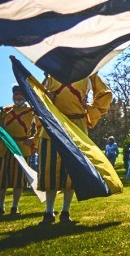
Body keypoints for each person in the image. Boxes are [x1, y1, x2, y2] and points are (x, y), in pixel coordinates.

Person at [38, 73, 112, 225]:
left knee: (71, 171)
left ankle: (65, 211)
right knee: (49, 171)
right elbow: (37, 97)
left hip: (76, 128)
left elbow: (105, 94)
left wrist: (90, 109)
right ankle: (49, 212)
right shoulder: (50, 75)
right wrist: (47, 99)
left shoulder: (88, 74)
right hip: (52, 127)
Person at [0, 84, 40, 215]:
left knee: (18, 179)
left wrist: (33, 140)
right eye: (16, 94)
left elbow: (40, 127)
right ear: (13, 95)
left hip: (22, 147)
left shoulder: (32, 111)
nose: (18, 96)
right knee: (1, 179)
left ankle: (14, 207)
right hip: (4, 147)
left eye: (21, 94)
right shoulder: (5, 110)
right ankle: (1, 207)